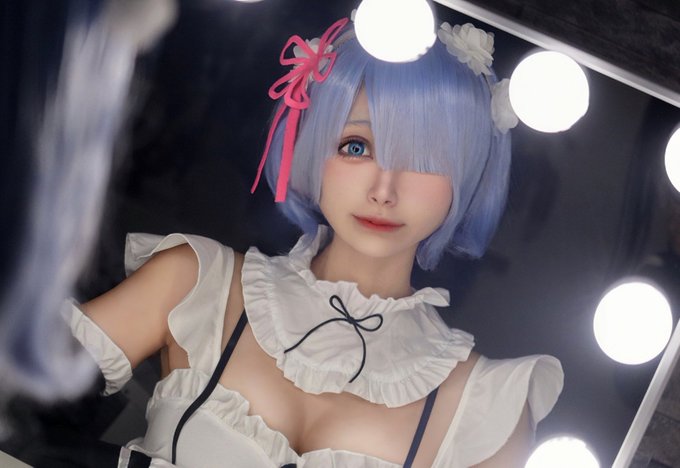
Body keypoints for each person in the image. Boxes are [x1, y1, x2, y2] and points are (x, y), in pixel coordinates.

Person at [59, 14, 563, 468]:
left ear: (469, 177)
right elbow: (24, 404)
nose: (384, 190)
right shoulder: (198, 284)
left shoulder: (482, 409)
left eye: (424, 159)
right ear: (315, 144)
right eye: (356, 147)